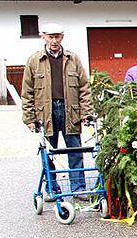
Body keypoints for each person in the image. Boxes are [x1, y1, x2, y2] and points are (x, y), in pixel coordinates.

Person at [21, 22, 93, 197]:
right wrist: (29, 118)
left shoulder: (73, 59)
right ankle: (52, 187)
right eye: (50, 37)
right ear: (43, 37)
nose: (54, 41)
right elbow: (27, 91)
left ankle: (78, 188)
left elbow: (84, 87)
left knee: (74, 150)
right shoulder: (34, 61)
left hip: (71, 110)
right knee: (48, 152)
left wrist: (86, 113)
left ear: (62, 37)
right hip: (46, 112)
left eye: (57, 37)